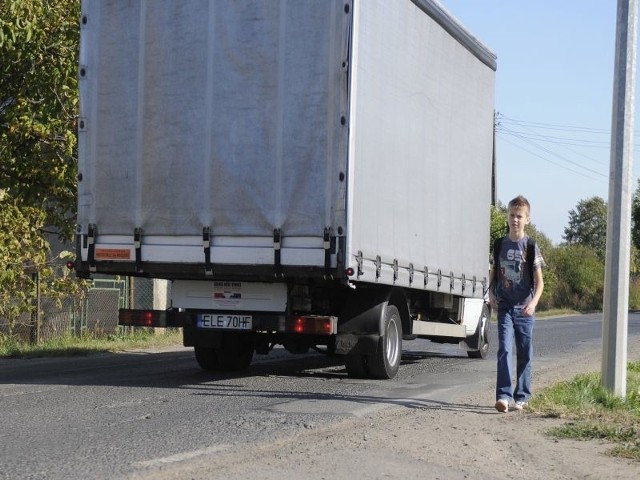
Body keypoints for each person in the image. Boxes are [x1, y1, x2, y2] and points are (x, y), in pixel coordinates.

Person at [489, 195, 545, 413]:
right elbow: (492, 274)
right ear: (507, 216)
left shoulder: (530, 246)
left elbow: (540, 282)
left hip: (524, 308)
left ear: (527, 219)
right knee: (503, 348)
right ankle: (503, 395)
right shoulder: (499, 245)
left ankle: (521, 397)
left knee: (524, 352)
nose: (515, 220)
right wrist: (490, 295)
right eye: (512, 215)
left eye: (519, 216)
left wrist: (533, 303)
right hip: (504, 306)